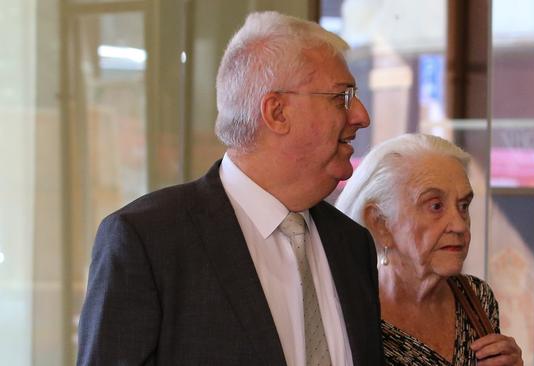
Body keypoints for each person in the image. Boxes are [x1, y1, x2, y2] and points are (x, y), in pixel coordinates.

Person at [77, 11, 383, 366]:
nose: (361, 115)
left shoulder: (352, 244)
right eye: (341, 97)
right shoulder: (149, 242)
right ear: (277, 112)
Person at [336, 133, 523, 365]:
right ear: (380, 223)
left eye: (463, 205)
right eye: (435, 206)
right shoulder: (349, 313)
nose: (459, 225)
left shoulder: (476, 297)